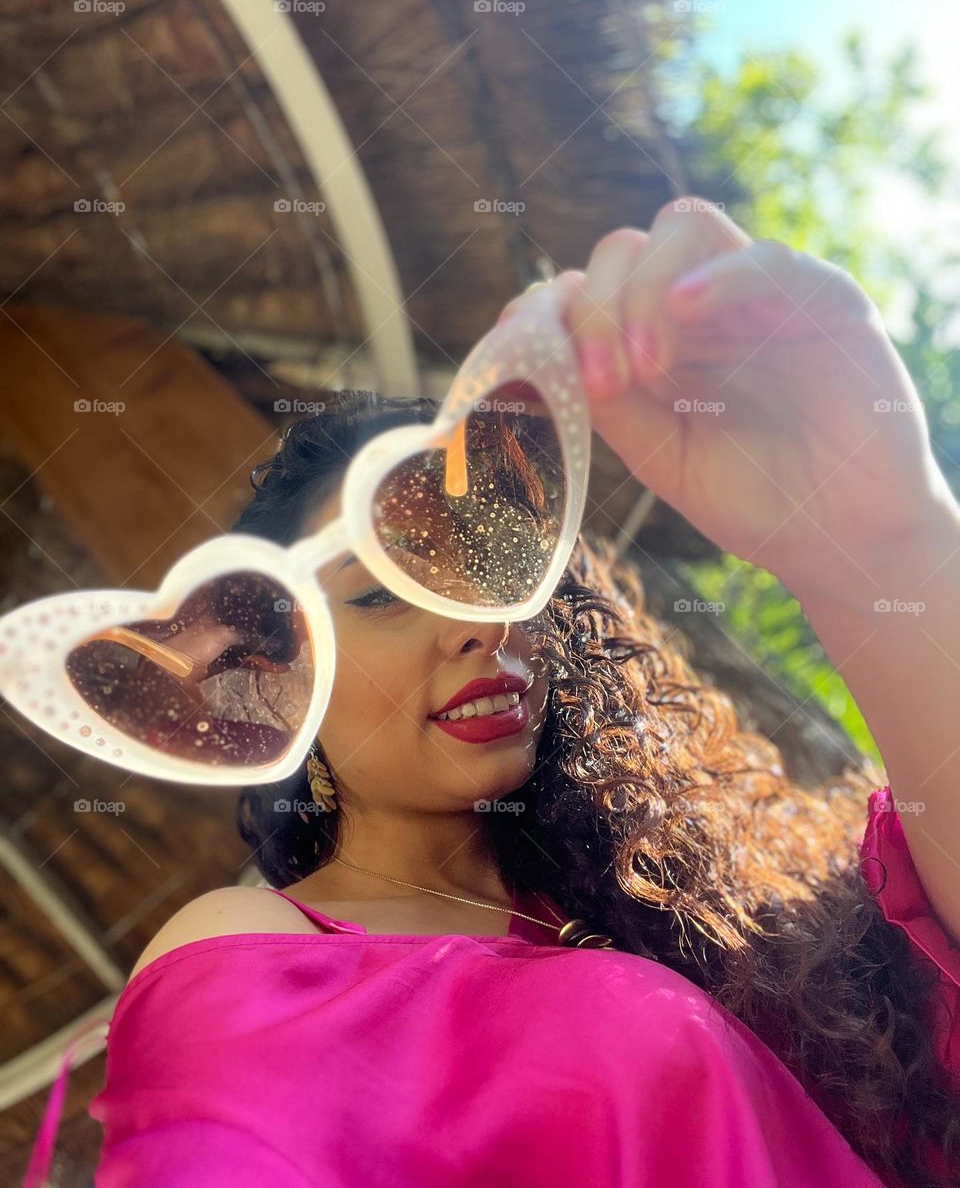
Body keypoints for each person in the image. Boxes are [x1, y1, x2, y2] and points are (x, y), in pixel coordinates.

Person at [23, 205, 960, 1186]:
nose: (478, 623)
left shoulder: (701, 922)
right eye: (384, 591)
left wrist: (885, 546)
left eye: (494, 568)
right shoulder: (250, 948)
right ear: (274, 684)